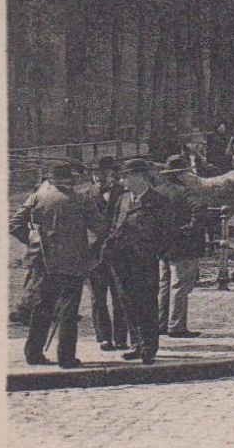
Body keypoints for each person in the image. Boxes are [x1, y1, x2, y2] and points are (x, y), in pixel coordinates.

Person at [10, 162, 96, 368]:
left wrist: (33, 241)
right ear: (71, 180)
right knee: (68, 310)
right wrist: (90, 251)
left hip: (43, 262)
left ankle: (33, 353)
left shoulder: (37, 197)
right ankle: (66, 357)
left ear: (50, 179)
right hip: (72, 263)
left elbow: (14, 225)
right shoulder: (82, 199)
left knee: (41, 308)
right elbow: (99, 229)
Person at [103, 158, 186, 364]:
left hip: (143, 260)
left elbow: (167, 232)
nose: (122, 180)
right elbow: (113, 224)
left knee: (146, 303)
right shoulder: (122, 199)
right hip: (121, 260)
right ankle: (135, 344)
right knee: (127, 302)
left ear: (140, 177)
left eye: (126, 176)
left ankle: (149, 346)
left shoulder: (158, 201)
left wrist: (154, 251)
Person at [156, 157, 208, 338]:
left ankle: (161, 323)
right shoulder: (187, 192)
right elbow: (200, 212)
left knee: (164, 284)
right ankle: (176, 326)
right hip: (184, 245)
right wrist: (189, 230)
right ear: (182, 174)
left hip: (163, 246)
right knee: (180, 286)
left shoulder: (159, 191)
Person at [88, 156, 129, 351]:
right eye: (95, 174)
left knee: (120, 296)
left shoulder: (125, 193)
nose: (99, 178)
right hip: (94, 255)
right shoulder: (86, 195)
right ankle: (104, 337)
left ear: (113, 174)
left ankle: (121, 337)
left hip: (119, 253)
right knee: (97, 298)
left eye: (103, 173)